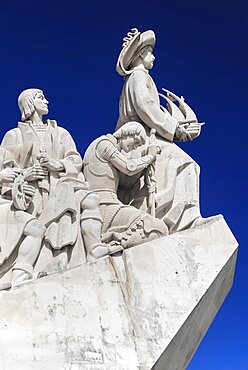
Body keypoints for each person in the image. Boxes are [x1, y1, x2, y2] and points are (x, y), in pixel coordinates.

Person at [1, 88, 109, 269]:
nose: (47, 101)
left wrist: (57, 164)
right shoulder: (14, 135)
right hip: (31, 195)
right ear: (29, 103)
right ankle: (49, 262)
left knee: (90, 199)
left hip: (61, 184)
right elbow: (4, 171)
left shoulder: (61, 133)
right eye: (41, 98)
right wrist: (26, 174)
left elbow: (75, 159)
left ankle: (94, 248)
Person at [116, 28, 203, 233]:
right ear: (140, 55)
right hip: (140, 138)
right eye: (149, 52)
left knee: (188, 165)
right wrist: (175, 130)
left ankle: (185, 217)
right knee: (186, 163)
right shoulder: (137, 76)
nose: (153, 57)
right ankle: (184, 221)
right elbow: (145, 106)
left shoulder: (142, 77)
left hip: (148, 134)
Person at [83, 121, 168, 255]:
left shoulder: (110, 148)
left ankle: (115, 245)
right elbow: (129, 167)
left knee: (159, 229)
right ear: (128, 133)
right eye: (136, 141)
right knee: (157, 228)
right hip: (103, 207)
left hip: (110, 205)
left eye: (139, 145)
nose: (135, 147)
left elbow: (127, 181)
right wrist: (149, 157)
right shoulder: (104, 144)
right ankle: (115, 246)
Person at [0, 147, 45, 290]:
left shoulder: (3, 153)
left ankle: (19, 279)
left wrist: (21, 190)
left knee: (36, 229)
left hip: (4, 204)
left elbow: (10, 187)